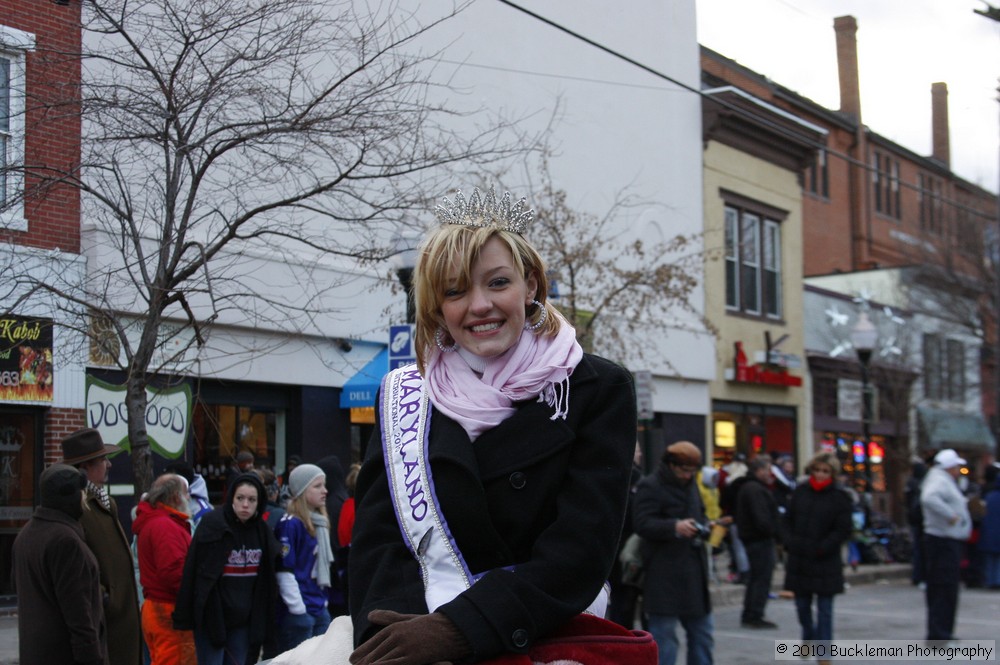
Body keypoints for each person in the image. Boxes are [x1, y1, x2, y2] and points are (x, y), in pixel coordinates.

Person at [348, 186, 643, 665]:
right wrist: (392, 638)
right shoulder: (403, 394)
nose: (479, 305)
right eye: (455, 290)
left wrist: (461, 629)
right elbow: (379, 546)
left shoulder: (597, 388)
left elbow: (580, 551)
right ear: (437, 307)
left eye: (498, 283)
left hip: (547, 636)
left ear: (530, 286)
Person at [173, 473, 280, 665]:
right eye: (240, 498)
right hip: (212, 617)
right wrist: (185, 616)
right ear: (231, 498)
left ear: (259, 502)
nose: (245, 505)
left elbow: (268, 580)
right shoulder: (213, 525)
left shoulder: (262, 532)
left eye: (251, 499)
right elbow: (194, 573)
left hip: (244, 621)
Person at [62, 427, 142, 665]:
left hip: (121, 617)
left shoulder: (106, 502)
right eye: (102, 459)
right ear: (85, 467)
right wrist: (106, 599)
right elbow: (75, 565)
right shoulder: (78, 507)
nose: (108, 465)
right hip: (106, 622)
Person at [13, 463, 107, 665]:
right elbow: (78, 615)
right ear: (71, 496)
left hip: (37, 653)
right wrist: (92, 658)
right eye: (81, 491)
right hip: (64, 655)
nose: (84, 497)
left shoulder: (27, 534)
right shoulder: (65, 541)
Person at [633, 441, 714, 665]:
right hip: (663, 574)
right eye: (684, 470)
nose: (688, 475)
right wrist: (674, 527)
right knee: (665, 639)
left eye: (692, 471)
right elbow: (641, 523)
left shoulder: (692, 485)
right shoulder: (650, 485)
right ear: (671, 465)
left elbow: (701, 514)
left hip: (694, 573)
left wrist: (707, 527)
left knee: (703, 635)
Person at [782, 452, 852, 663]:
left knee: (825, 610)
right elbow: (787, 520)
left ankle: (824, 652)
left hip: (824, 559)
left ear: (832, 474)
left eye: (825, 471)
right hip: (800, 557)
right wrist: (789, 542)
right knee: (802, 607)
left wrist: (824, 547)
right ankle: (808, 637)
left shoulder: (839, 498)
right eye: (817, 470)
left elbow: (843, 529)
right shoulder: (800, 492)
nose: (820, 475)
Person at [133, 474, 196, 665]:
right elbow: (174, 573)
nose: (189, 499)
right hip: (170, 611)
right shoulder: (165, 526)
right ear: (176, 497)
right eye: (186, 494)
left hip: (160, 609)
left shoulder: (158, 521)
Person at [275, 463, 334, 651]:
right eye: (317, 486)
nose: (324, 491)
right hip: (301, 610)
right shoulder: (290, 524)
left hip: (319, 605)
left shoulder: (320, 522)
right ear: (301, 490)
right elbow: (284, 571)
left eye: (324, 485)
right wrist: (298, 609)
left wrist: (323, 603)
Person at [920, 448, 972, 642]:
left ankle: (943, 630)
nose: (959, 469)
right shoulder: (938, 480)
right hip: (942, 540)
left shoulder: (941, 479)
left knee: (947, 587)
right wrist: (950, 515)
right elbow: (929, 498)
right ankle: (938, 633)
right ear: (950, 466)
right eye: (957, 466)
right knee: (943, 586)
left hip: (947, 540)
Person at [736, 455, 781, 629]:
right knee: (761, 578)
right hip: (758, 539)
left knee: (757, 577)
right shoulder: (754, 489)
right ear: (759, 470)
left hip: (754, 538)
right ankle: (754, 614)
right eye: (768, 470)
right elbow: (761, 518)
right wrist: (772, 531)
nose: (770, 473)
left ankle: (751, 613)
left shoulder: (752, 487)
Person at [905, 459, 929, 586]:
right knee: (921, 550)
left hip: (915, 520)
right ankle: (920, 575)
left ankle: (917, 575)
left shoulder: (911, 484)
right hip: (920, 521)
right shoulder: (922, 485)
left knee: (917, 549)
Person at [980, 464, 1000, 589]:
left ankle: (989, 580)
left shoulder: (989, 496)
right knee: (998, 560)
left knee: (990, 559)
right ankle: (997, 580)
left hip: (988, 532)